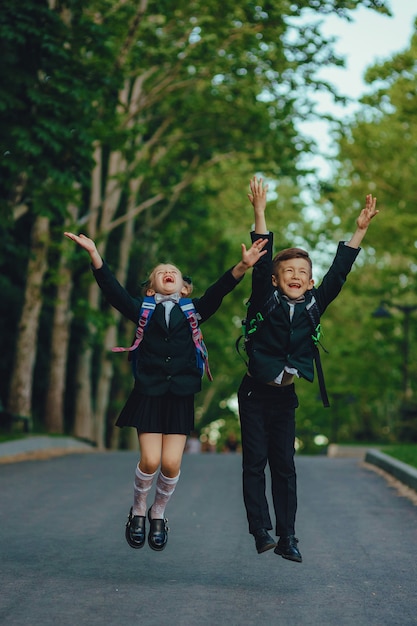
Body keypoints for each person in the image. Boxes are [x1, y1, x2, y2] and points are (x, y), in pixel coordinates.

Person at [64, 230, 267, 551]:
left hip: (181, 395)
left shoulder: (194, 311)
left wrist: (242, 267)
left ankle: (159, 512)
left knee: (171, 464)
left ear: (185, 288)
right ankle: (139, 510)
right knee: (150, 459)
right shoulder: (142, 309)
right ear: (150, 287)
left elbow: (219, 291)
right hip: (149, 391)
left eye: (172, 272)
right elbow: (113, 292)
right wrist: (94, 255)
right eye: (160, 272)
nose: (167, 273)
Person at [237, 176, 379, 561]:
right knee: (256, 461)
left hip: (284, 397)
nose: (296, 275)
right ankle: (260, 529)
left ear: (310, 280)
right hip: (253, 392)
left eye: (302, 271)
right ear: (275, 280)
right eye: (288, 271)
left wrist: (359, 232)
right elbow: (263, 257)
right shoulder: (264, 299)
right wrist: (260, 211)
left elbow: (339, 273)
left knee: (285, 466)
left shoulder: (316, 303)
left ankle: (288, 536)